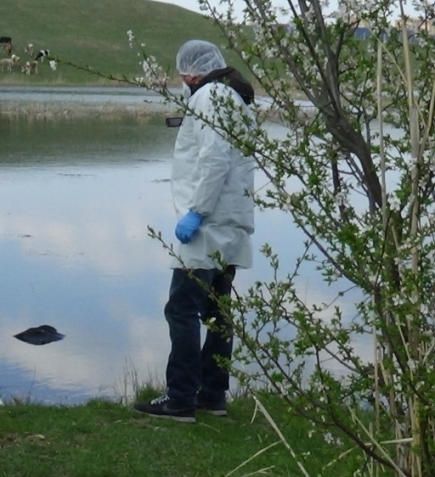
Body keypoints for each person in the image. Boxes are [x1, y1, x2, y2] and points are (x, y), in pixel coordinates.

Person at [134, 39, 256, 423]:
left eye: (183, 74)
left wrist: (196, 212)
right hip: (231, 222)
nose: (183, 79)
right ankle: (213, 395)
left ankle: (180, 399)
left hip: (208, 223)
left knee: (183, 309)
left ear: (190, 72)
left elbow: (214, 158)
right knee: (219, 312)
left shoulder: (207, 97)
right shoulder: (234, 98)